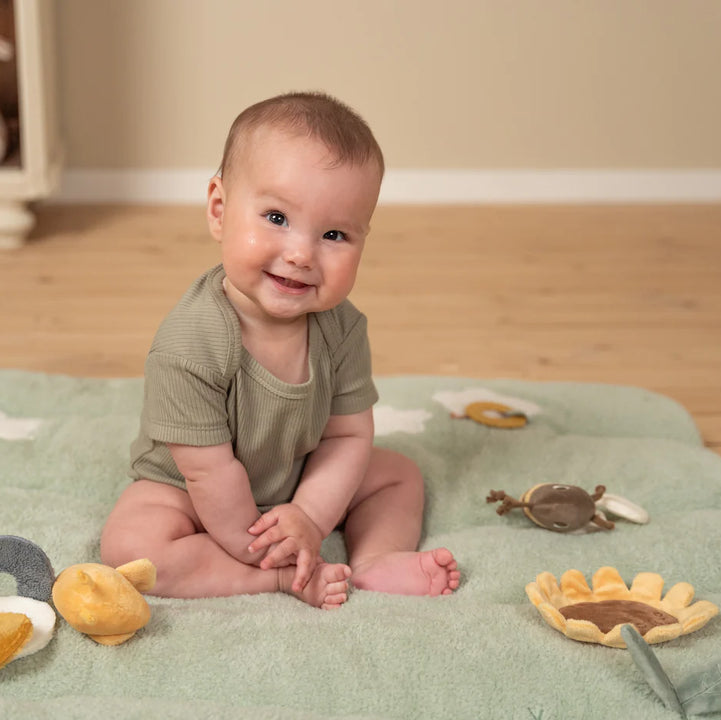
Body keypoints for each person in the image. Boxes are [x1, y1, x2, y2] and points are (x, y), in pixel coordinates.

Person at [100, 91, 460, 609]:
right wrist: (272, 552)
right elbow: (209, 472)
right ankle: (271, 581)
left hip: (300, 470)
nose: (300, 254)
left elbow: (348, 434)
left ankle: (377, 558)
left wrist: (310, 516)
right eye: (275, 218)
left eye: (334, 233)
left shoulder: (343, 328)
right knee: (132, 548)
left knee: (398, 474)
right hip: (194, 492)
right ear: (220, 210)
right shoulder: (189, 344)